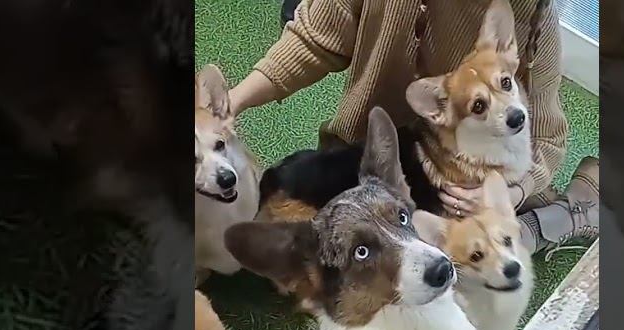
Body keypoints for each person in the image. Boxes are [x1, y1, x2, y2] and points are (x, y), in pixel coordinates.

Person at [230, 0, 599, 252]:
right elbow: (313, 38)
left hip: (475, 185)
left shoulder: (531, 16)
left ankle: (569, 213)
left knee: (474, 260)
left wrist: (512, 193)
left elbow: (548, 139)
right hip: (364, 161)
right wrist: (231, 103)